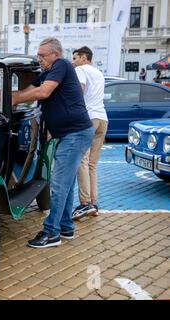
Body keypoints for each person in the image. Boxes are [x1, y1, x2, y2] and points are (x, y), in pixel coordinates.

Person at [9, 38, 94, 248]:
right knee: (66, 184)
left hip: (75, 134)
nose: (39, 59)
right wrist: (2, 96)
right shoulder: (47, 72)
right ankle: (65, 227)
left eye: (42, 55)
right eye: (38, 55)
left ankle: (51, 233)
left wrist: (14, 99)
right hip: (71, 134)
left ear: (56, 54)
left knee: (58, 184)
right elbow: (28, 90)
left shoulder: (61, 65)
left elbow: (43, 92)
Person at [71, 46, 108, 220]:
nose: (73, 62)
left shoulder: (81, 70)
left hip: (89, 118)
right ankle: (94, 203)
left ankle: (85, 204)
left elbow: (78, 92)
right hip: (103, 119)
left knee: (82, 161)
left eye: (75, 58)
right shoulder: (99, 73)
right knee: (92, 164)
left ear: (84, 57)